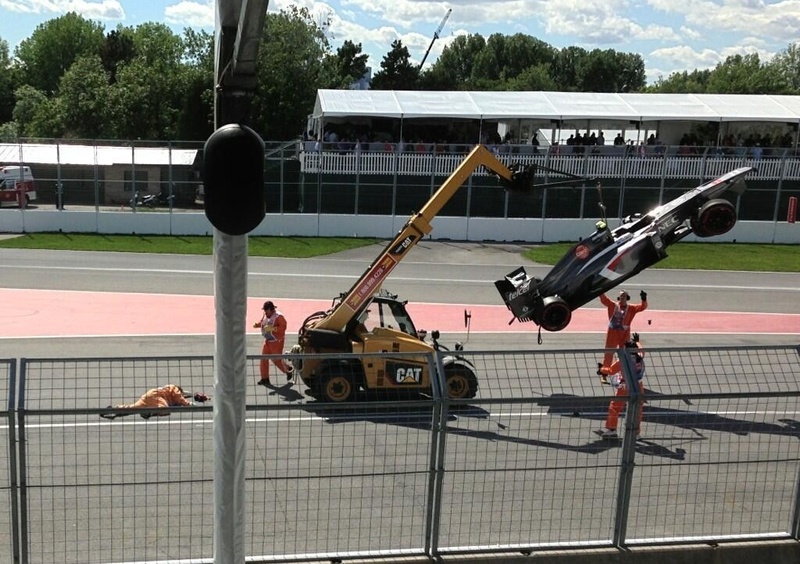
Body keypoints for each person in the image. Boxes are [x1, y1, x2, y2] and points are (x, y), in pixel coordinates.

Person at [597, 334, 646, 439]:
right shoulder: (640, 355)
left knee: (615, 407)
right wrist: (637, 341)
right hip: (639, 385)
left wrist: (601, 369)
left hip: (625, 385)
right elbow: (641, 348)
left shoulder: (623, 360)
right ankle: (636, 432)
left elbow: (610, 370)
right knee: (637, 409)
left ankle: (612, 429)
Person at [598, 289, 647, 382]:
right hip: (613, 333)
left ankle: (623, 375)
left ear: (627, 298)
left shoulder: (631, 308)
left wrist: (644, 299)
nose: (622, 297)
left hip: (624, 334)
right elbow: (604, 299)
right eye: (621, 296)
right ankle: (604, 374)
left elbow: (642, 307)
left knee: (625, 354)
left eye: (624, 295)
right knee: (609, 354)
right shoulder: (613, 305)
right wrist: (600, 291)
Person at [99, 384, 209, 420]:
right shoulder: (174, 389)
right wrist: (193, 405)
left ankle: (113, 410)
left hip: (149, 396)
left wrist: (194, 396)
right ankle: (149, 413)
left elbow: (183, 397)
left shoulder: (173, 394)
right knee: (166, 410)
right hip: (156, 397)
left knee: (132, 408)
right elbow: (181, 399)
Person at [253, 300, 293, 386]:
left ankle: (288, 371)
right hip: (268, 340)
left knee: (276, 360)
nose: (265, 312)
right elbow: (264, 323)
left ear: (271, 309)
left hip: (276, 342)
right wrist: (258, 325)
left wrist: (273, 329)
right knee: (263, 359)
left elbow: (283, 327)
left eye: (266, 310)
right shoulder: (266, 315)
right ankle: (265, 379)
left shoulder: (279, 317)